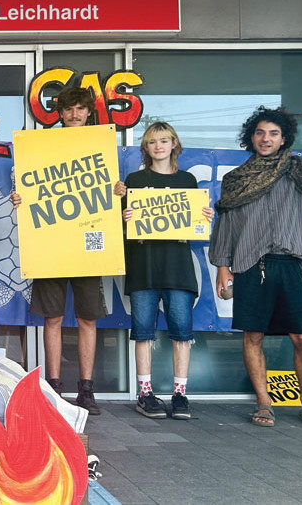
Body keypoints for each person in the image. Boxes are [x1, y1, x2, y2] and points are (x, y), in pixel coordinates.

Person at [210, 105, 302, 428]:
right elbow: (226, 223)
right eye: (260, 132)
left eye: (273, 133)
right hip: (250, 263)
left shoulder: (298, 169)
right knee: (253, 336)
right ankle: (264, 402)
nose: (266, 138)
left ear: (283, 138)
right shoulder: (235, 180)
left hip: (288, 263)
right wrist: (222, 265)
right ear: (251, 137)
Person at [10, 86, 108, 414]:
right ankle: (53, 389)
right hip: (50, 242)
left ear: (88, 112)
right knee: (53, 318)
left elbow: (109, 190)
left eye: (81, 109)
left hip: (87, 244)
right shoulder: (41, 145)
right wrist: (19, 197)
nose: (75, 114)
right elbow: (24, 185)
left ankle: (86, 390)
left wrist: (118, 191)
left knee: (87, 319)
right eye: (69, 109)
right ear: (60, 113)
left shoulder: (100, 144)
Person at [114, 122, 214, 420]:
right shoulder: (134, 179)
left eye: (164, 140)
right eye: (152, 141)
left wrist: (203, 216)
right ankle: (145, 393)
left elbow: (194, 226)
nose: (158, 146)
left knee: (182, 332)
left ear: (174, 144)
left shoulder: (187, 181)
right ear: (145, 147)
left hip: (177, 265)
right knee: (143, 331)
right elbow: (124, 227)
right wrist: (124, 216)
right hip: (143, 264)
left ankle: (180, 394)